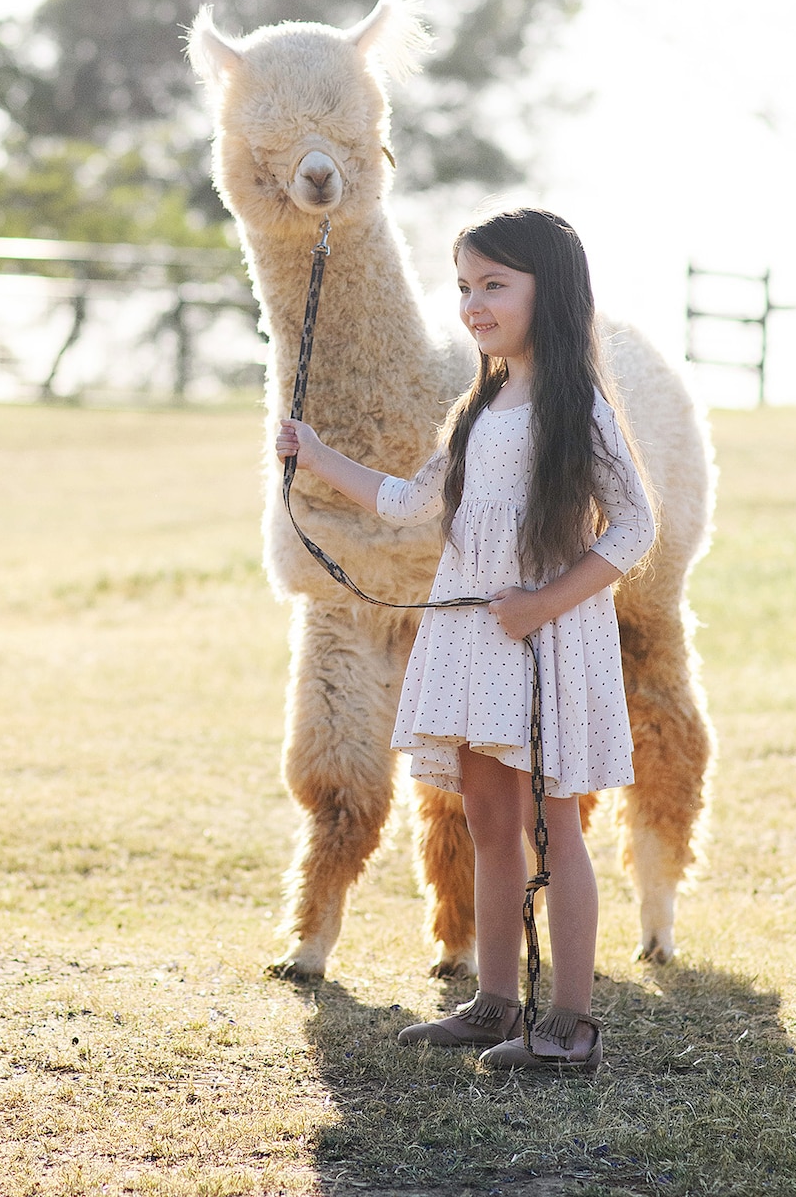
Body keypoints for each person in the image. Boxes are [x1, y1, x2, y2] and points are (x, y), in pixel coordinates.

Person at [274, 207, 656, 1071]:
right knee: (488, 819)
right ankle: (492, 1002)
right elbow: (411, 502)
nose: (473, 305)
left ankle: (570, 1023)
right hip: (476, 637)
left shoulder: (580, 407)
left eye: (493, 285)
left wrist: (545, 602)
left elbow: (634, 528)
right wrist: (317, 454)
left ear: (546, 292)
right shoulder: (478, 407)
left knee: (556, 829)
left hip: (546, 638)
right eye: (463, 287)